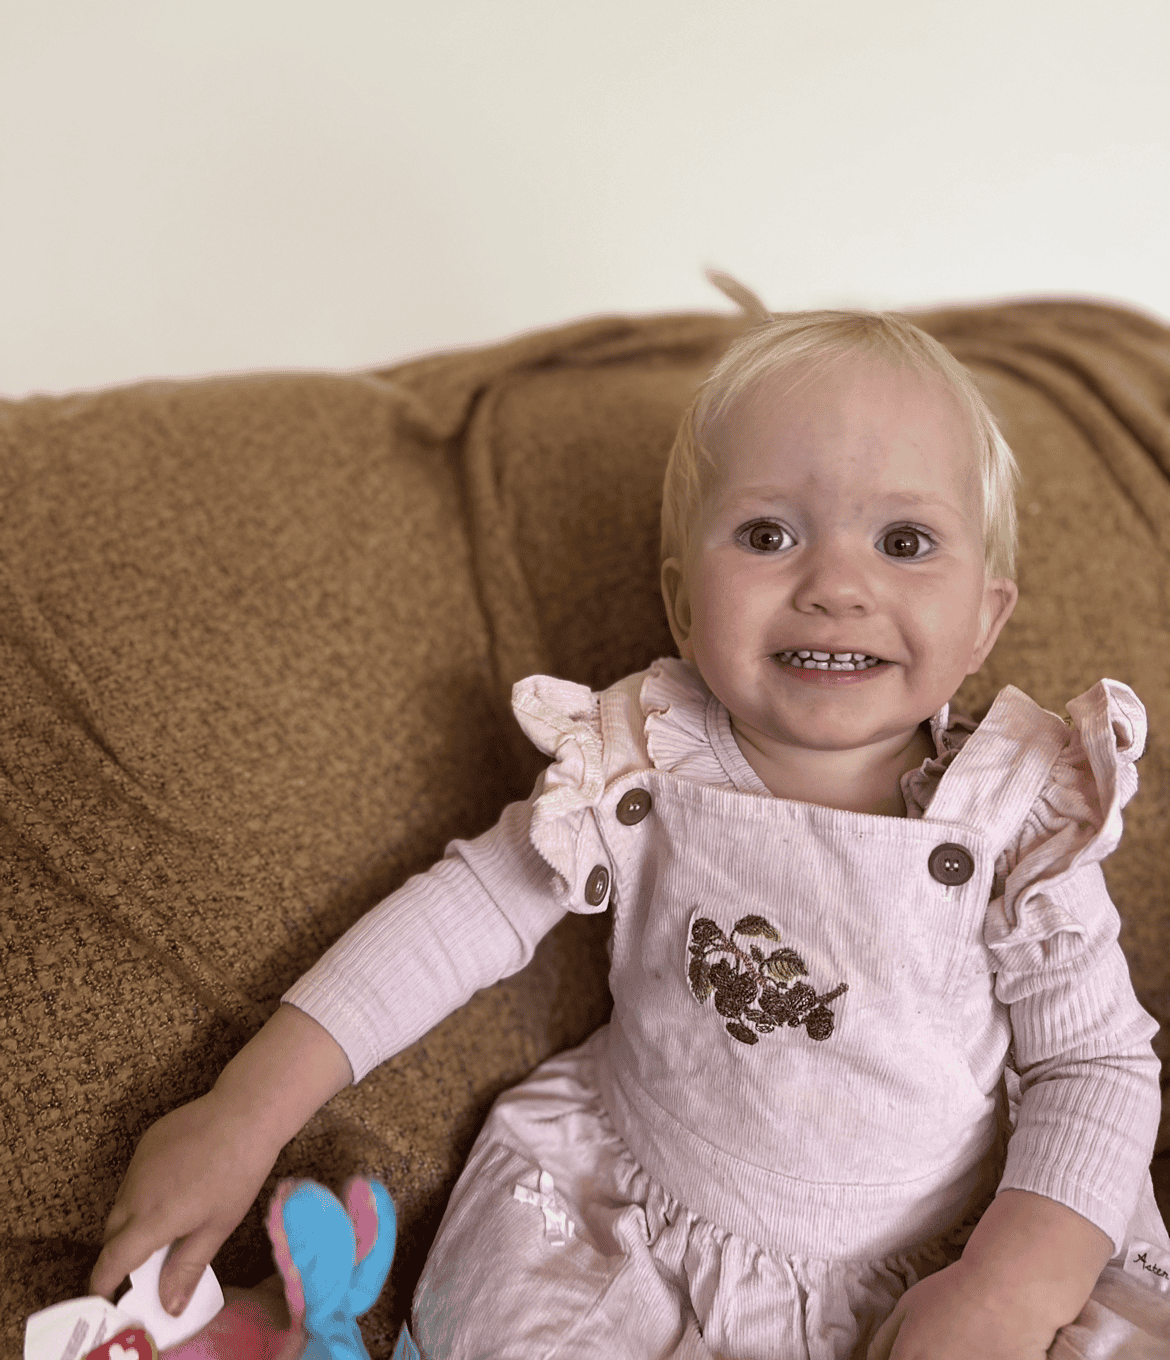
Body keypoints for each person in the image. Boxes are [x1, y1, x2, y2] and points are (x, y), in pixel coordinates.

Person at [89, 277, 1169, 1359]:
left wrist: (1011, 1287)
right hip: (644, 1238)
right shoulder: (637, 761)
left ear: (986, 619)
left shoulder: (1022, 817)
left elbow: (1097, 1067)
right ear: (682, 604)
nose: (836, 583)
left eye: (904, 542)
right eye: (766, 533)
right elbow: (464, 909)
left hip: (953, 1253)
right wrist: (245, 1112)